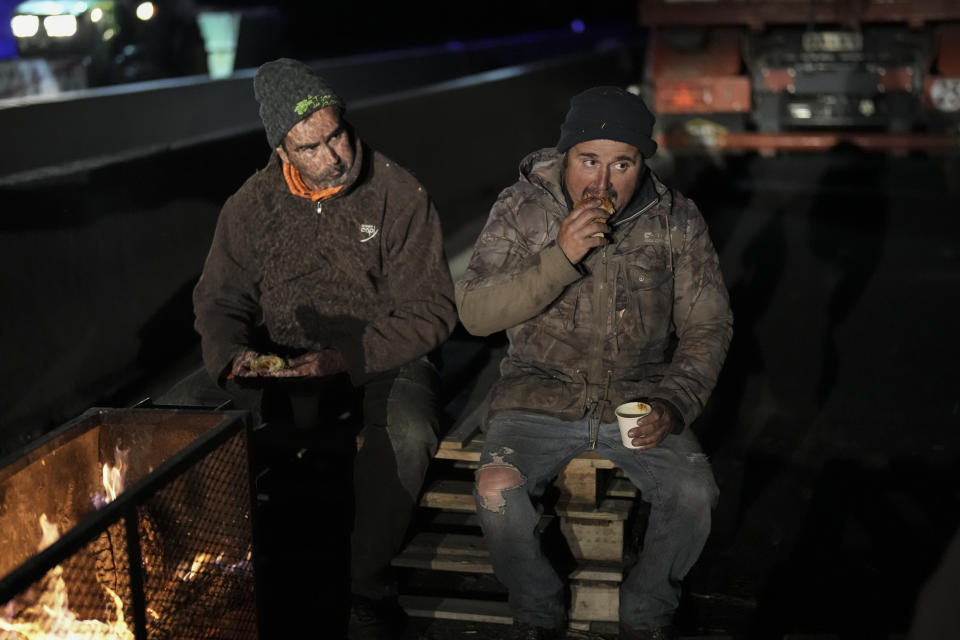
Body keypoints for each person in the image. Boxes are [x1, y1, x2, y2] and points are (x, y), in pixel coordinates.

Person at [192, 58, 458, 639]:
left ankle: (367, 588)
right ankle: (264, 585)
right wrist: (231, 355)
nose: (334, 156)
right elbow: (219, 298)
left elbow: (432, 310)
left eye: (337, 134)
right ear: (283, 151)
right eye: (311, 147)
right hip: (290, 359)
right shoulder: (251, 205)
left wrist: (349, 357)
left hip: (384, 354)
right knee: (219, 447)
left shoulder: (396, 192)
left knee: (408, 435)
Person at [455, 86, 733, 640]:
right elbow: (475, 314)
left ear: (641, 164)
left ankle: (647, 612)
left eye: (621, 164)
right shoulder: (522, 208)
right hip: (538, 393)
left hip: (637, 397)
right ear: (566, 157)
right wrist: (560, 257)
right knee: (495, 488)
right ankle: (537, 609)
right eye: (589, 161)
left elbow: (709, 324)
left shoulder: (676, 219)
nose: (602, 184)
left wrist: (675, 401)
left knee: (695, 493)